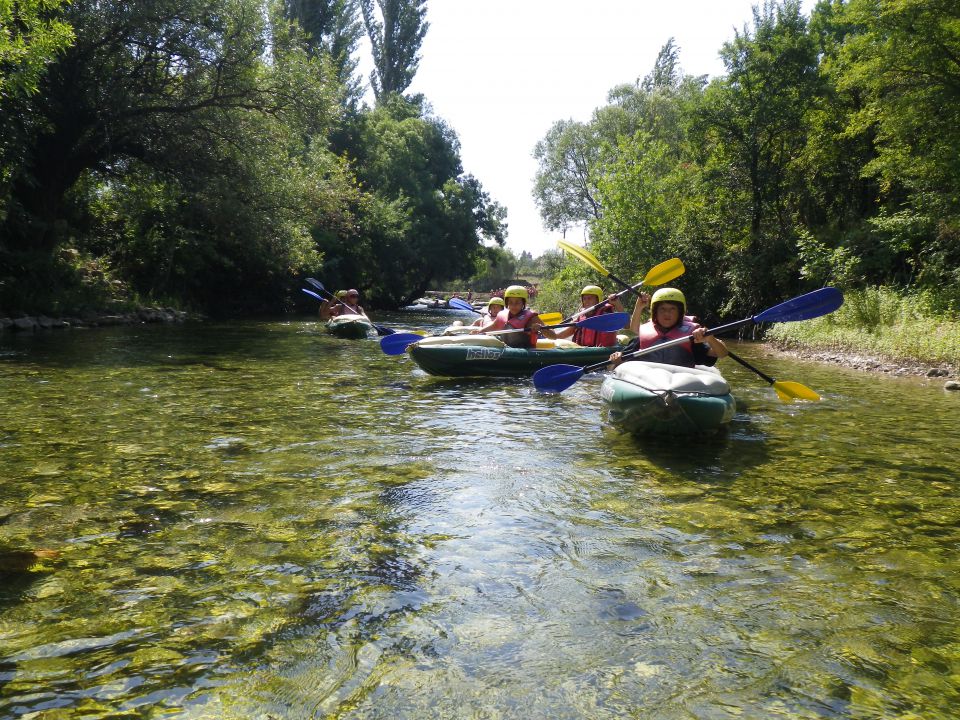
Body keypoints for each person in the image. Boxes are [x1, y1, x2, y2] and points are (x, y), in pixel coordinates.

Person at [609, 287, 727, 368]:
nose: (667, 314)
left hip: (680, 382)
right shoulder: (643, 338)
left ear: (680, 312)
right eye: (663, 309)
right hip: (646, 380)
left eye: (672, 309)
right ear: (655, 312)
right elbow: (617, 362)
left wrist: (710, 339)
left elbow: (722, 354)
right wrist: (617, 358)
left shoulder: (691, 338)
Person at [472, 285, 553, 348]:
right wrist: (479, 332)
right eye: (510, 302)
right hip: (507, 350)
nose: (513, 305)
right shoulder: (502, 315)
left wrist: (542, 329)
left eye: (517, 302)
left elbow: (554, 336)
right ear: (507, 303)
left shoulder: (532, 318)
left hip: (526, 352)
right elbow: (493, 327)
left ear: (523, 303)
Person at [553, 284, 625, 347]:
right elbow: (557, 336)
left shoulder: (607, 315)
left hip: (603, 353)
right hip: (584, 353)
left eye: (589, 298)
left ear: (598, 300)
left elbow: (627, 326)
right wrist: (542, 326)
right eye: (584, 298)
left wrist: (617, 304)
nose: (586, 301)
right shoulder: (580, 318)